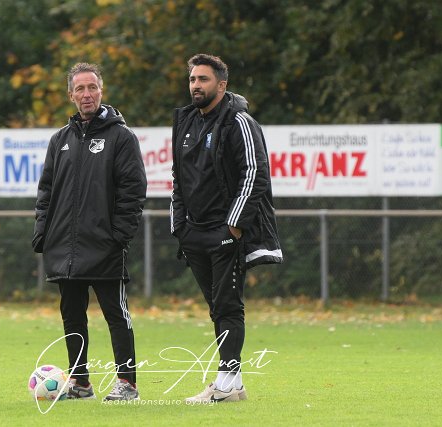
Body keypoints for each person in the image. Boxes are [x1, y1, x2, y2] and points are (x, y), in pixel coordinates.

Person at [171, 54, 283, 403]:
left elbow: (255, 172)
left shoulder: (239, 121)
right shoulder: (185, 121)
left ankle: (227, 382)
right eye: (192, 79)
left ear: (221, 85)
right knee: (216, 307)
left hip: (225, 232)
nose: (196, 85)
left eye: (203, 79)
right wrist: (179, 225)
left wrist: (234, 224)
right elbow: (178, 177)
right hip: (193, 233)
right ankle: (231, 382)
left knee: (228, 305)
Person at [32, 62, 147, 401]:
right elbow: (46, 192)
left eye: (92, 87)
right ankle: (80, 383)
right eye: (80, 89)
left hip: (105, 246)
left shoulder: (121, 137)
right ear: (71, 95)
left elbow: (133, 190)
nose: (87, 94)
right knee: (72, 317)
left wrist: (119, 236)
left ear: (101, 91)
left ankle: (127, 384)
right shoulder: (60, 140)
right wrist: (43, 233)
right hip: (64, 248)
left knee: (116, 316)